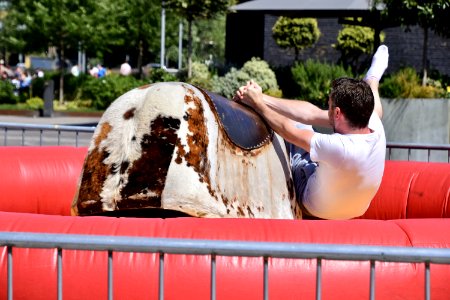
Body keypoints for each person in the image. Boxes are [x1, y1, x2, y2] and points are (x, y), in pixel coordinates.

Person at [234, 45, 389, 220]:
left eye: (329, 106)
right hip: (357, 209)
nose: (326, 109)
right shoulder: (373, 121)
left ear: (337, 113)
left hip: (315, 207)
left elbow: (288, 129)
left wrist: (258, 105)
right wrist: (260, 97)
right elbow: (312, 113)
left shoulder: (339, 147)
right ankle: (374, 73)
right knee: (372, 86)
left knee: (296, 129)